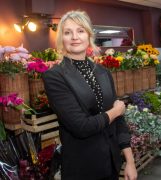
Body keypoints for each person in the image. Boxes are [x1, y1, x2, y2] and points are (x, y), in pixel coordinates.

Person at [42, 10, 137, 180]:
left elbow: (119, 122)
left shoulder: (103, 72)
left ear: (89, 35)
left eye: (80, 31)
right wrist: (116, 111)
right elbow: (81, 127)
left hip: (111, 163)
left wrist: (129, 161)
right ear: (61, 39)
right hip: (83, 167)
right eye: (67, 32)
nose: (74, 37)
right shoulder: (55, 76)